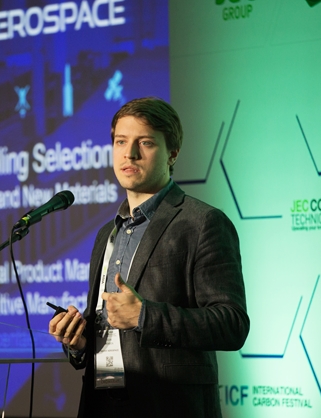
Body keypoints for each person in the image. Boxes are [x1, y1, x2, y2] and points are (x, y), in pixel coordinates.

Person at [48, 97, 249, 417]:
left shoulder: (202, 223)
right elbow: (111, 330)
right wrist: (79, 341)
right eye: (120, 142)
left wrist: (145, 316)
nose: (129, 153)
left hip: (168, 406)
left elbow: (231, 323)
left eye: (145, 142)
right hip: (102, 405)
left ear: (172, 153)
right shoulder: (106, 234)